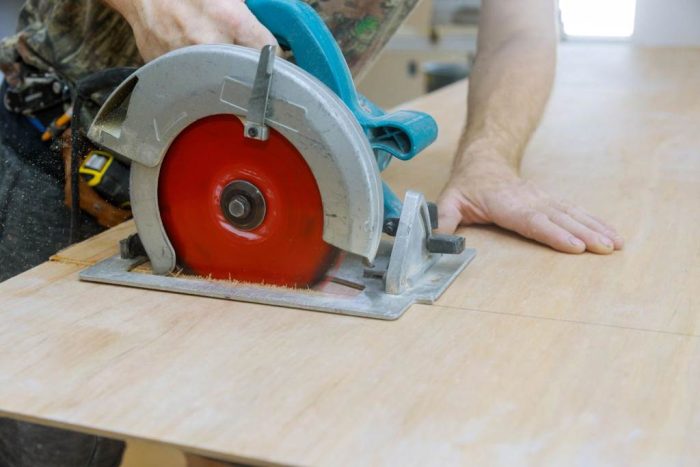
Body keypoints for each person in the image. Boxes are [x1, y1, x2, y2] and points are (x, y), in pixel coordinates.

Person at [0, 0, 624, 465]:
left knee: (252, 438)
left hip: (278, 189)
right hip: (61, 145)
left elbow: (521, 27)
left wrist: (490, 158)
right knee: (43, 446)